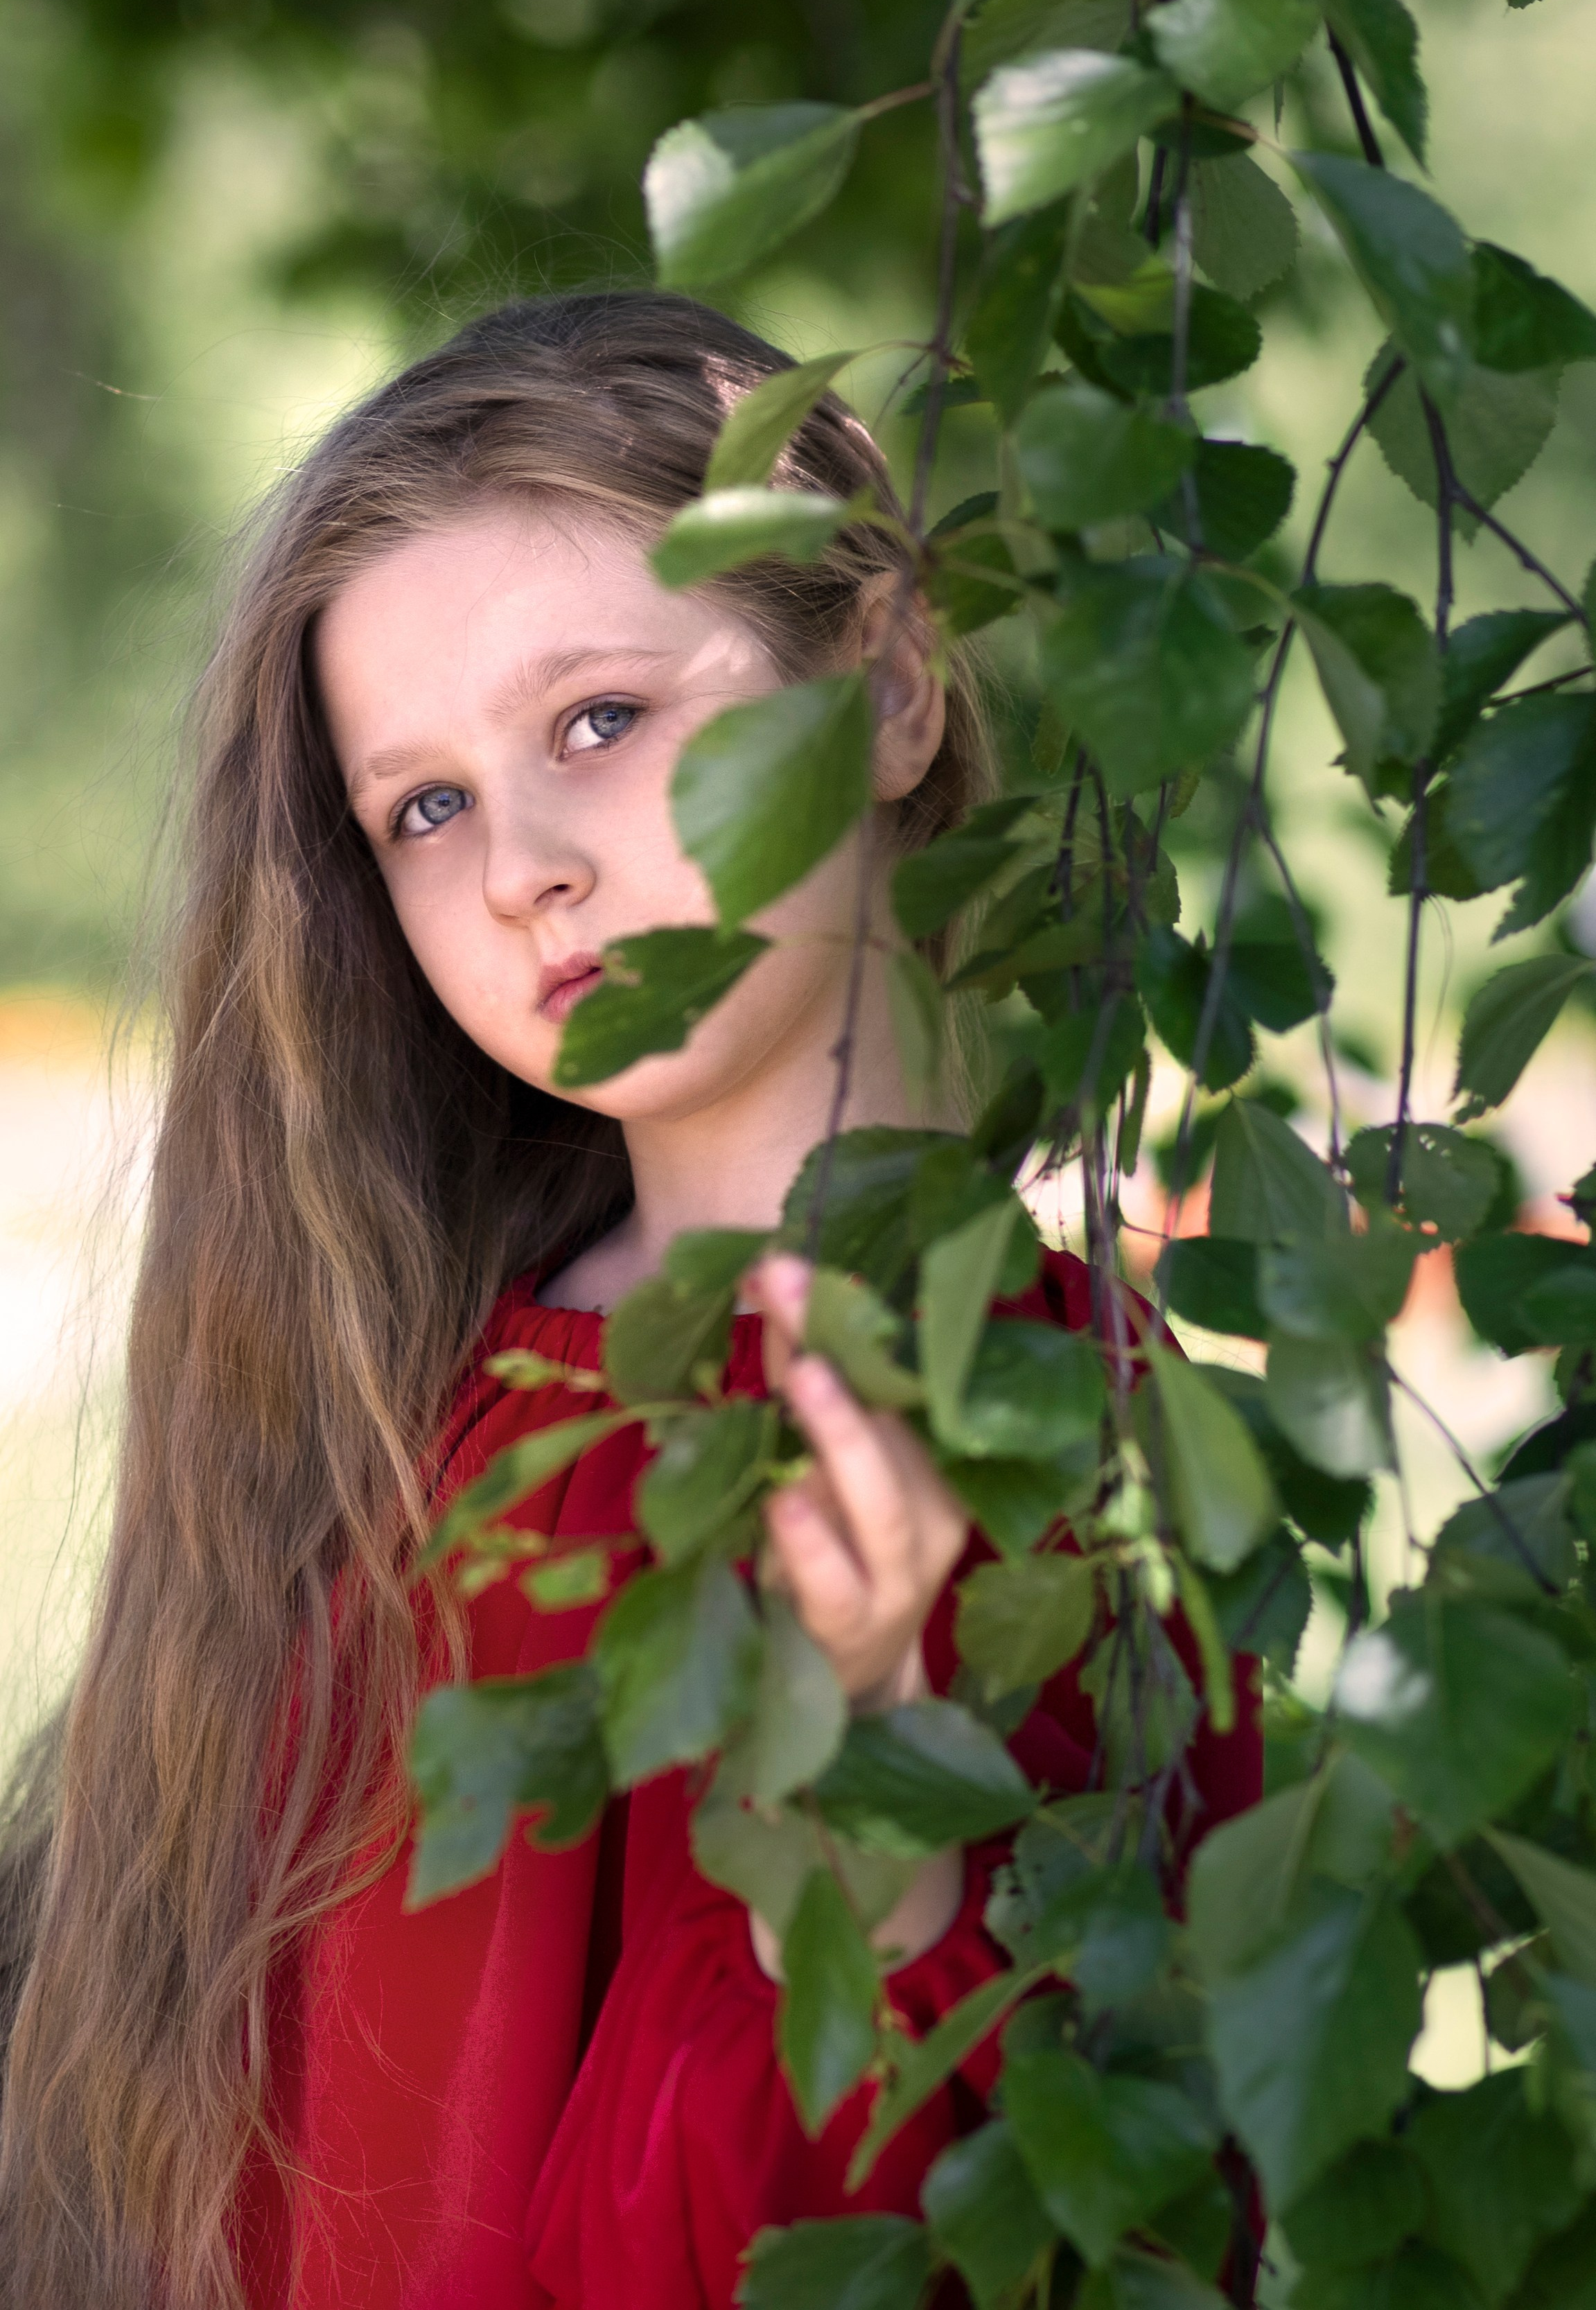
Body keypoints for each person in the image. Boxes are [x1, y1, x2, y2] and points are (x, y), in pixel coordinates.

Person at [0, 292, 1259, 2309]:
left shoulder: (1073, 1447)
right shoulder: (423, 1444)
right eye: (423, 806)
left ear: (896, 686)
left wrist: (869, 1831)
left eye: (598, 720)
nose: (519, 869)